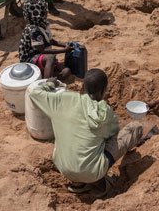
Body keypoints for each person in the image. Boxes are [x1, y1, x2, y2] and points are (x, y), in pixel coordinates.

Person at [28, 69, 146, 197]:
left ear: (83, 87)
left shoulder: (61, 99)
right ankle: (99, 185)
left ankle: (78, 183)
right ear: (103, 90)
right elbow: (113, 135)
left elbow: (34, 92)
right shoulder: (104, 112)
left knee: (81, 143)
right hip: (91, 172)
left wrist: (50, 84)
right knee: (134, 128)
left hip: (64, 167)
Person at [18, 0, 72, 80]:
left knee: (66, 71)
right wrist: (64, 50)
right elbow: (42, 50)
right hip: (30, 59)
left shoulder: (44, 24)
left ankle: (47, 76)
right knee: (50, 57)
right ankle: (46, 84)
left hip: (41, 58)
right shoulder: (33, 30)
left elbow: (49, 40)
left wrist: (63, 44)